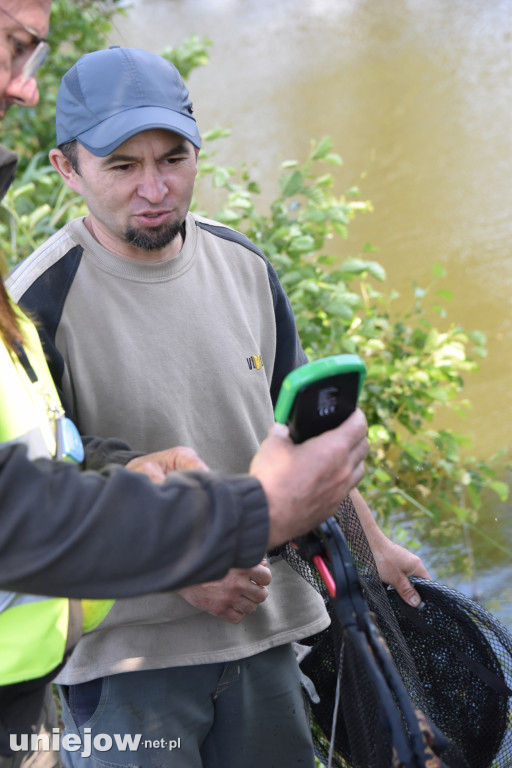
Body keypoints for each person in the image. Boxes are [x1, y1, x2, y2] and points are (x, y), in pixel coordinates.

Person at [8, 46, 430, 768]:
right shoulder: (33, 303)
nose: (154, 188)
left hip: (268, 635)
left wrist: (374, 548)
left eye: (173, 158)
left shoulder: (245, 267)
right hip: (127, 668)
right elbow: (40, 502)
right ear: (66, 168)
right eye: (121, 166)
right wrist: (181, 564)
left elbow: (304, 436)